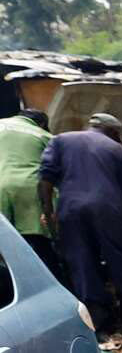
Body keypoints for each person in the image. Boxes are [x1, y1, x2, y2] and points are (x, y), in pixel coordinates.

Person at [38, 114, 122, 332]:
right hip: (110, 210)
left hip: (70, 210)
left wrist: (48, 212)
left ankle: (99, 326)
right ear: (114, 132)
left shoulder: (61, 140)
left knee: (82, 263)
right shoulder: (117, 149)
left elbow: (44, 180)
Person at [0, 108, 56, 273]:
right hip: (30, 189)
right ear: (42, 123)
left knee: (4, 241)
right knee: (37, 243)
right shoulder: (44, 135)